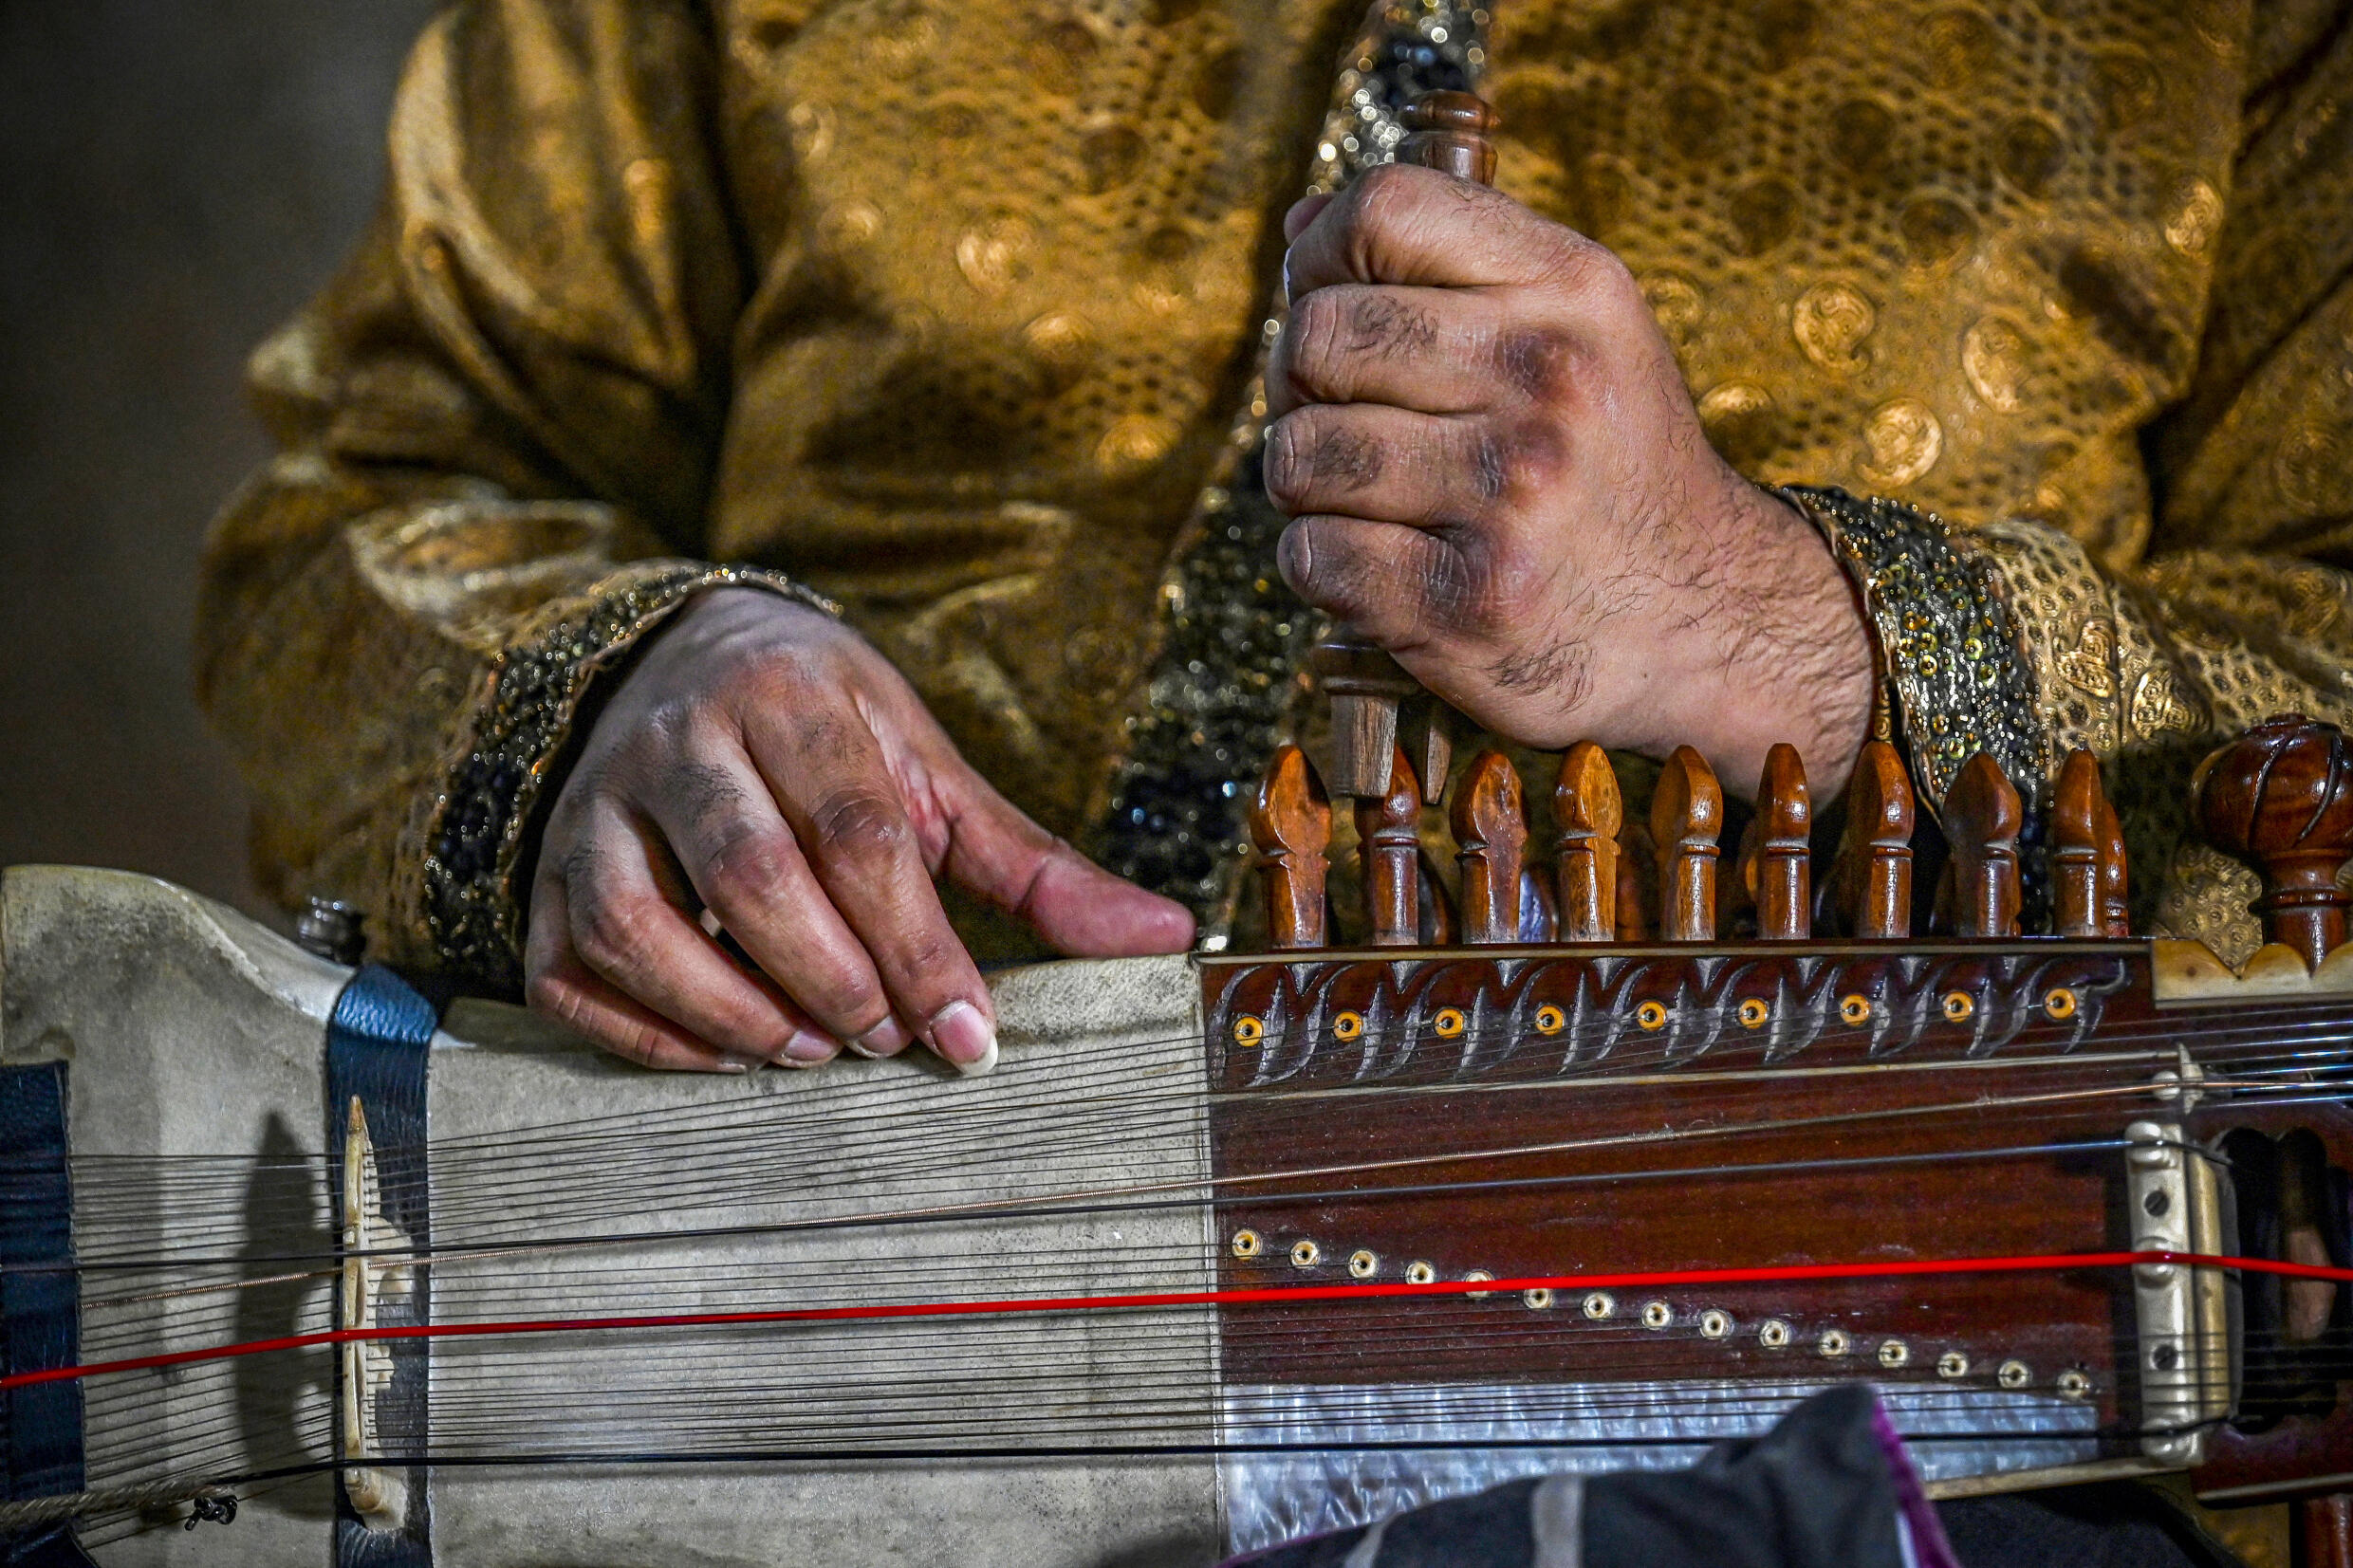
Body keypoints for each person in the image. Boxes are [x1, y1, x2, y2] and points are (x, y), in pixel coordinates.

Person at [197, 0, 2353, 1086]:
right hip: (799, 1315)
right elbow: (359, 496)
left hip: (1895, 1377)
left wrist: (1759, 618)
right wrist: (611, 684)